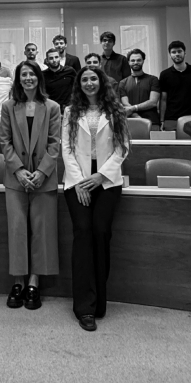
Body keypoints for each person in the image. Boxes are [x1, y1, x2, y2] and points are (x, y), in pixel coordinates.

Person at [62, 66, 131, 332]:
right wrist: (80, 181)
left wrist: (101, 176)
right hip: (77, 181)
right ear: (79, 84)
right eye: (84, 79)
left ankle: (100, 300)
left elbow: (123, 146)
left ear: (101, 82)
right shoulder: (70, 111)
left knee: (101, 233)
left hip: (107, 181)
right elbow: (66, 149)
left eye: (93, 78)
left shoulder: (116, 110)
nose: (89, 83)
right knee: (83, 233)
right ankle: (84, 307)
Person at [0, 60, 60, 310]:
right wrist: (19, 170)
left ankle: (34, 282)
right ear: (18, 79)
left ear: (39, 78)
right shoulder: (8, 106)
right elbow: (5, 142)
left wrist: (41, 172)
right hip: (16, 179)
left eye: (32, 74)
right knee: (17, 231)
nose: (28, 78)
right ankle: (18, 282)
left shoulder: (53, 107)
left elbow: (55, 144)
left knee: (41, 231)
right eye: (23, 74)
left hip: (43, 179)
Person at [159, 41, 191, 131]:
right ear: (170, 55)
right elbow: (163, 99)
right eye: (173, 52)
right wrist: (162, 120)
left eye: (179, 51)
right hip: (171, 118)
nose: (177, 54)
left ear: (185, 53)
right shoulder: (164, 74)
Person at [118, 49, 161, 129]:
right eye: (133, 60)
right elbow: (125, 104)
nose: (135, 62)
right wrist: (138, 118)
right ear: (128, 62)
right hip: (130, 122)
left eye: (138, 60)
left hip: (152, 122)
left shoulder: (153, 79)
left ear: (143, 61)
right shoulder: (122, 82)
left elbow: (153, 102)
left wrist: (134, 108)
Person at [42, 48, 77, 113]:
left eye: (56, 57)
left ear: (60, 58)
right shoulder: (43, 75)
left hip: (68, 109)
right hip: (51, 109)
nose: (54, 60)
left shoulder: (70, 71)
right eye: (51, 58)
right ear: (47, 60)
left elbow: (77, 87)